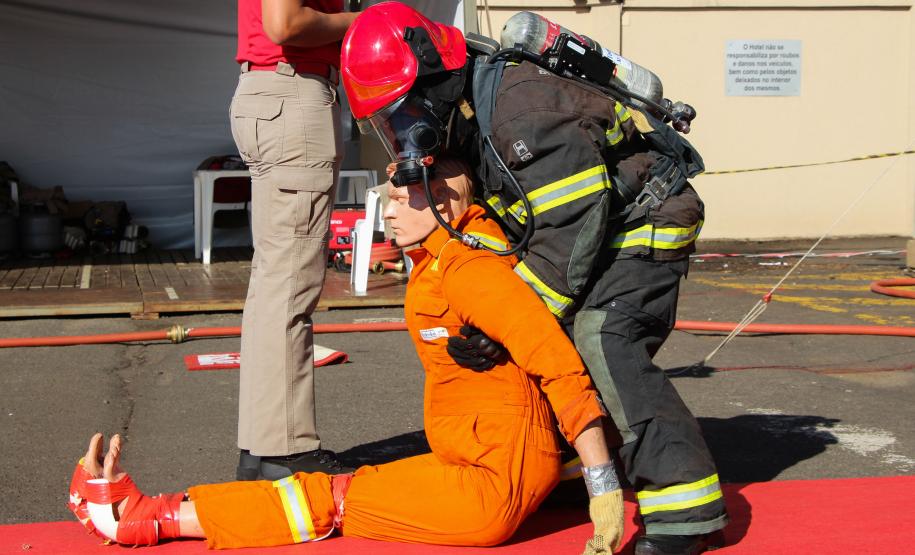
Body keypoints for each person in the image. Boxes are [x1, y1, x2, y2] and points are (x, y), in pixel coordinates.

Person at [67, 159, 626, 553]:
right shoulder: (444, 260)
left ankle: (143, 520)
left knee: (325, 499)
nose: (392, 209)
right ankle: (156, 511)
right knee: (339, 488)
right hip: (471, 463)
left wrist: (603, 489)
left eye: (408, 197)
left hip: (488, 490)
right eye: (393, 196)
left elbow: (557, 363)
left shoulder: (471, 271)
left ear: (450, 201)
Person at [339, 4, 727, 554]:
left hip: (647, 220)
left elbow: (572, 226)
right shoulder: (469, 107)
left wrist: (511, 319)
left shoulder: (521, 112)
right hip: (593, 228)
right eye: (386, 124)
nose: (402, 132)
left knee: (601, 337)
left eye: (401, 114)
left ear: (432, 78)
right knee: (548, 344)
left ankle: (684, 511)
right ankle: (571, 468)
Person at [231, 0, 358, 480]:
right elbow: (285, 24)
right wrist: (356, 21)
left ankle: (264, 447)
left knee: (273, 285)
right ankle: (284, 451)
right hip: (292, 91)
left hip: (275, 92)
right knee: (289, 285)